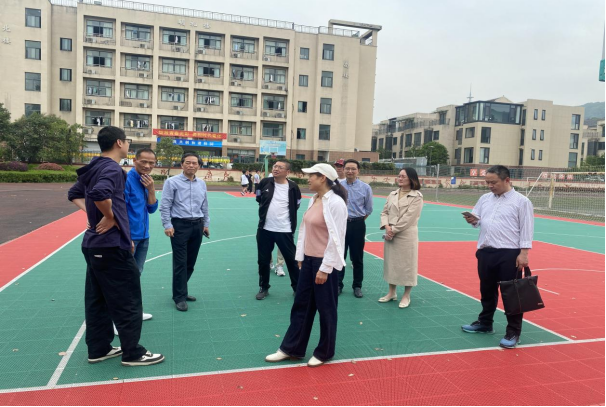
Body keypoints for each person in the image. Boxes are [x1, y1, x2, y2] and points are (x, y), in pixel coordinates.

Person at [68, 126, 164, 367]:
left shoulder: (94, 166)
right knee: (128, 299)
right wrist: (110, 217)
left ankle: (99, 349)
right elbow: (99, 193)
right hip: (111, 245)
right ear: (119, 143)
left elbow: (74, 193)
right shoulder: (112, 168)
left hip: (93, 245)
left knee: (97, 300)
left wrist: (93, 215)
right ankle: (133, 353)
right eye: (127, 141)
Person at [265, 163, 348, 367]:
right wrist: (300, 256)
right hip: (309, 261)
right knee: (301, 306)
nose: (307, 179)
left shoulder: (336, 203)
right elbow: (305, 230)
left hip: (324, 263)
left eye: (311, 176)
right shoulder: (315, 199)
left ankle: (324, 352)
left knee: (326, 309)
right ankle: (291, 348)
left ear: (323, 178)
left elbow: (337, 239)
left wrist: (325, 268)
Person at [461, 165, 534, 349]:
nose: (490, 186)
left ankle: (513, 331)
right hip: (485, 252)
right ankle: (485, 323)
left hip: (509, 253)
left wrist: (524, 253)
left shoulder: (521, 201)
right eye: (487, 182)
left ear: (507, 180)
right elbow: (478, 219)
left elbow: (527, 228)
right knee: (487, 290)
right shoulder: (485, 198)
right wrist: (473, 220)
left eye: (493, 182)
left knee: (512, 294)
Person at [160, 152, 210, 312]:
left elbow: (204, 205)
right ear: (182, 164)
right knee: (180, 262)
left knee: (190, 262)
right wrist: (167, 225)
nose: (191, 165)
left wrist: (206, 224)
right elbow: (165, 205)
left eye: (194, 163)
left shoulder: (201, 184)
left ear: (199, 166)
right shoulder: (172, 182)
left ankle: (181, 289)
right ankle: (179, 297)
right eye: (188, 162)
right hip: (180, 226)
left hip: (197, 225)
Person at [255, 160, 302, 300]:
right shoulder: (264, 182)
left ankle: (297, 288)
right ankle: (264, 287)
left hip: (285, 229)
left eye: (280, 167)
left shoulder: (293, 187)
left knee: (292, 261)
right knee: (263, 261)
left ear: (287, 172)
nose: (276, 169)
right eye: (275, 166)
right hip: (265, 229)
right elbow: (259, 198)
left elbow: (297, 204)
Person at [379, 168, 423, 308]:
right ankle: (391, 292)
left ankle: (406, 295)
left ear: (411, 178)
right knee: (391, 263)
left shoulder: (416, 197)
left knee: (407, 265)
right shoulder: (392, 194)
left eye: (403, 176)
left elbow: (409, 218)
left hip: (406, 235)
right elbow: (384, 212)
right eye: (399, 176)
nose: (400, 178)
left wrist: (393, 230)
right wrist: (387, 227)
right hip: (391, 234)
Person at [124, 147, 158, 323]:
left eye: (151, 163)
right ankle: (118, 319)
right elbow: (120, 210)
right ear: (134, 161)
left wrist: (151, 189)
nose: (147, 165)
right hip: (130, 238)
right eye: (143, 161)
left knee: (136, 275)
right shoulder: (126, 180)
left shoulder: (146, 181)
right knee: (123, 278)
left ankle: (134, 312)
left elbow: (152, 208)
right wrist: (126, 236)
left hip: (144, 237)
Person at [339, 159, 373, 298]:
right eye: (347, 168)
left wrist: (357, 221)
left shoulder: (365, 188)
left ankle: (357, 286)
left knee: (357, 257)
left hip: (358, 224)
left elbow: (368, 209)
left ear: (358, 170)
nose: (350, 171)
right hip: (341, 224)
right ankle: (338, 285)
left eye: (353, 168)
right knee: (340, 256)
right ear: (343, 170)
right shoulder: (337, 186)